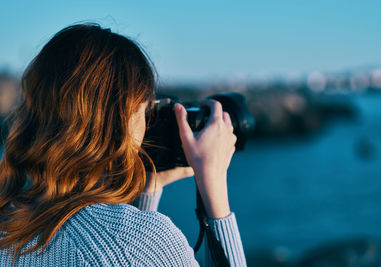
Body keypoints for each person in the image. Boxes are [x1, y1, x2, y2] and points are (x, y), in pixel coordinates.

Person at [0, 24, 246, 266]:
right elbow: (124, 250)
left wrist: (149, 186)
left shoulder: (9, 219)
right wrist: (213, 185)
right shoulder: (140, 243)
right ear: (120, 123)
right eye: (144, 110)